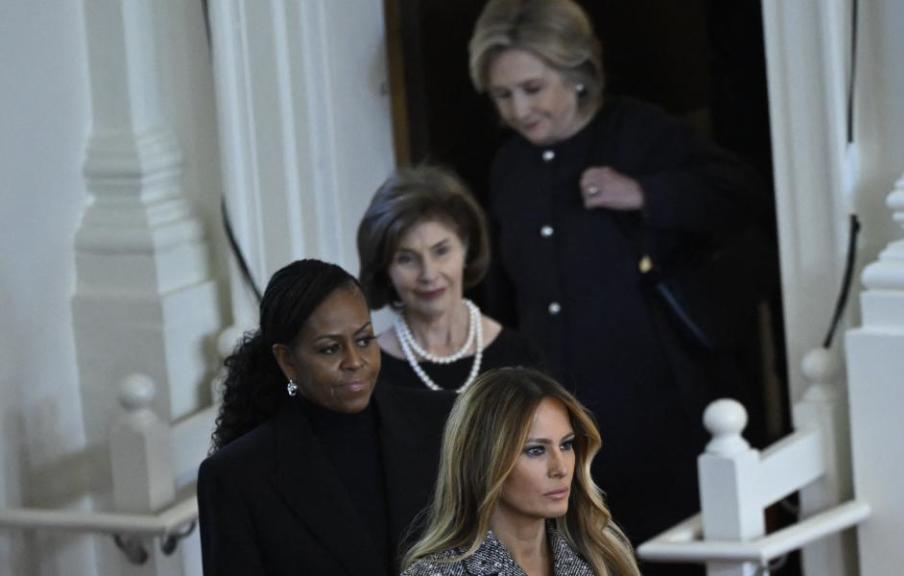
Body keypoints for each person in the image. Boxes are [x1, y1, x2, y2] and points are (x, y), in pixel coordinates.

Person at [468, 0, 776, 564]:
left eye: (533, 88)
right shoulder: (507, 167)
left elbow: (743, 193)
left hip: (659, 409)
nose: (519, 109)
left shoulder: (639, 131)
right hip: (557, 427)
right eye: (502, 96)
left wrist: (645, 194)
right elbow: (506, 298)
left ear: (577, 72)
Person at [197, 259, 455, 576]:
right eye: (330, 349)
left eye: (363, 340)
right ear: (288, 361)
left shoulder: (444, 421)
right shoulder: (236, 476)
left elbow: (492, 549)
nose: (355, 361)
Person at [401, 367, 641, 576]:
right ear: (484, 460)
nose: (561, 468)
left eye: (566, 445)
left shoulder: (603, 557)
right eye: (536, 450)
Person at [357, 165, 542, 394]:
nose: (429, 274)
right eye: (406, 259)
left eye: (441, 251)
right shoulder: (366, 370)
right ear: (385, 268)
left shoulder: (519, 357)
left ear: (465, 246)